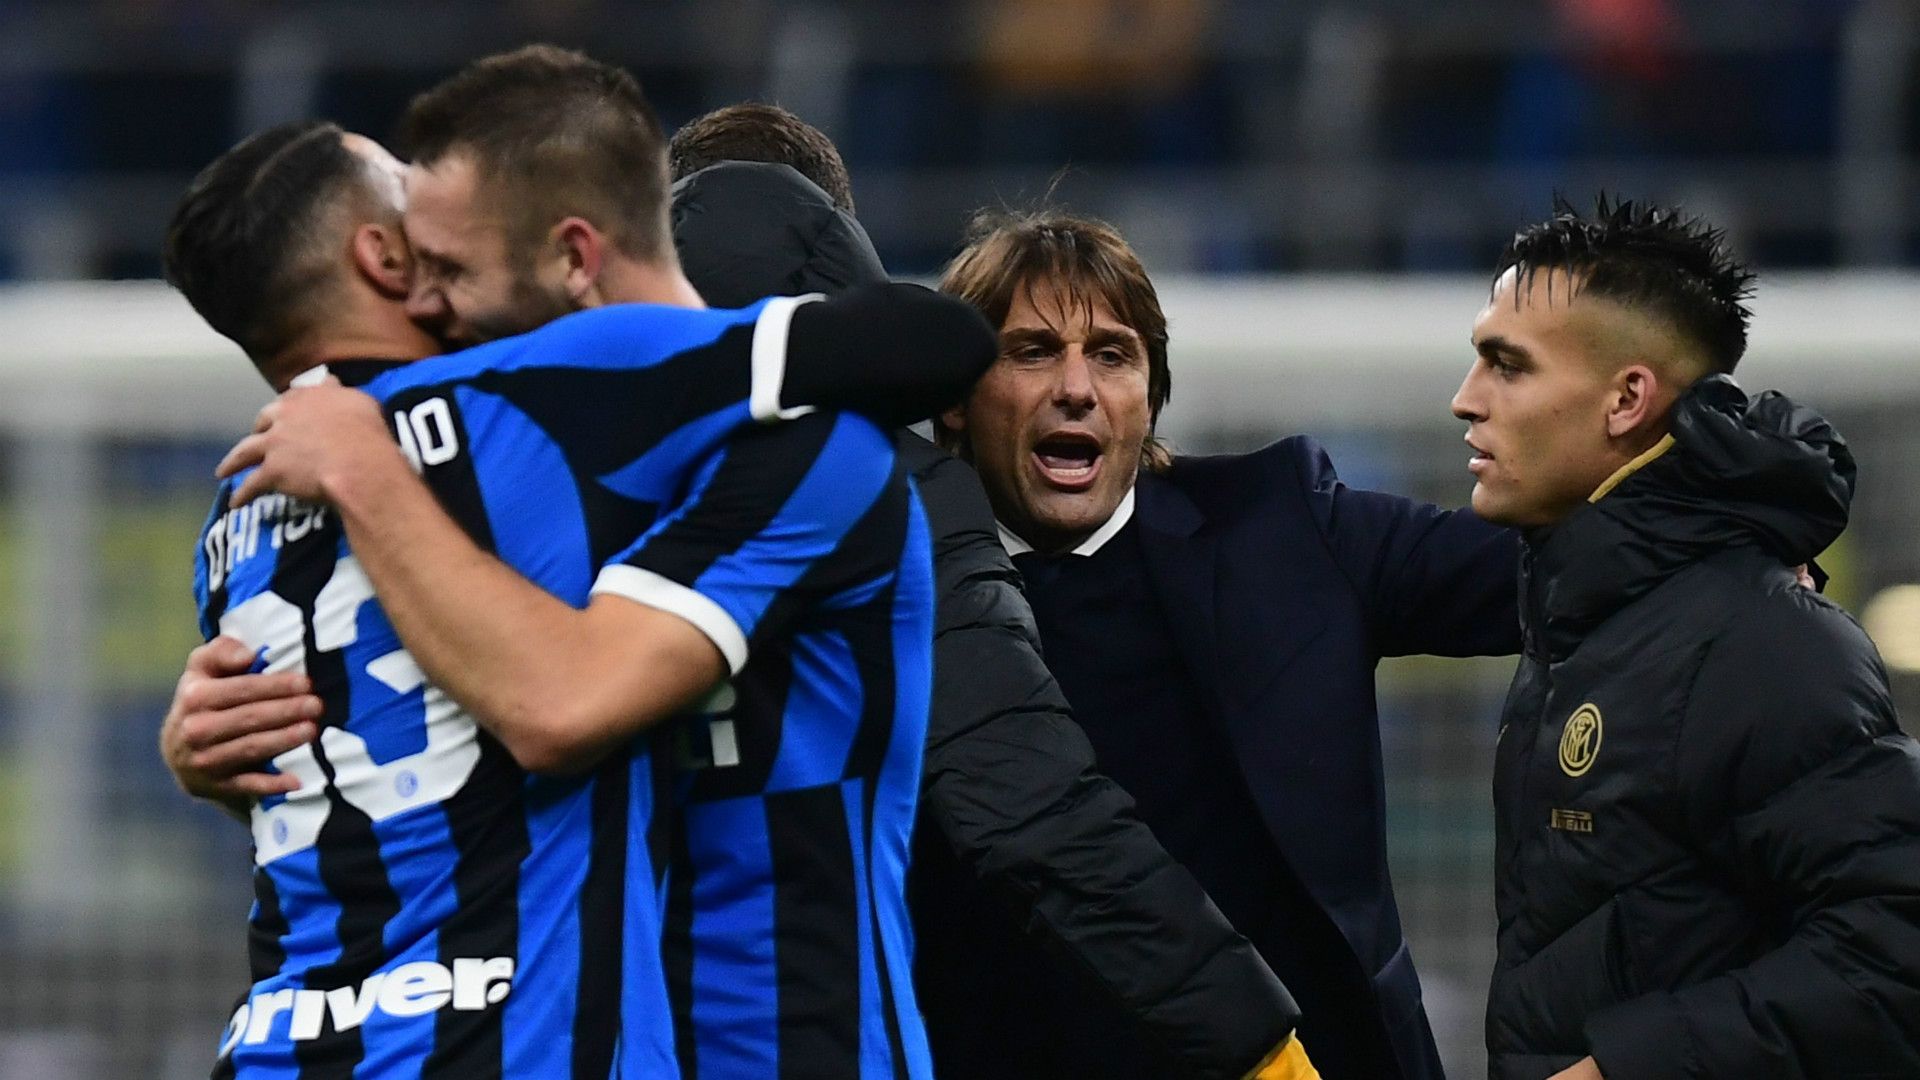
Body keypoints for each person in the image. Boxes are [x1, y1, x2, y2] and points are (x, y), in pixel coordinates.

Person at [172, 98, 1314, 1080]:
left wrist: (229, 764)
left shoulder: (492, 480)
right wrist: (1265, 1049)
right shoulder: (855, 470)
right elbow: (1033, 812)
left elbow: (410, 779)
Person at [163, 48, 995, 1079]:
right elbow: (929, 335)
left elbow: (405, 749)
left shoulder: (240, 517)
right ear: (382, 259)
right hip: (542, 1035)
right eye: (432, 251)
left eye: (458, 258)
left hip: (309, 1041)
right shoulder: (524, 412)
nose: (452, 297)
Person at [666, 105, 1312, 1079]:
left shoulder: (528, 474)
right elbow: (1037, 810)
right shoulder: (897, 498)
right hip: (808, 1038)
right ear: (839, 257)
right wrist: (1260, 1046)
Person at [928, 209, 1522, 1080]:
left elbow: (1540, 567)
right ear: (955, 395)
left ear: (1149, 395)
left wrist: (1738, 517)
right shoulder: (888, 596)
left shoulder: (1284, 529)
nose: (1076, 388)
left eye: (1112, 355)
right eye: (1031, 351)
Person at [1452, 197, 1920, 1080]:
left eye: (1506, 366)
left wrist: (1620, 1069)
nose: (1464, 400)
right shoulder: (1588, 620)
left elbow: (1896, 954)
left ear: (1627, 398)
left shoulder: (1767, 643)